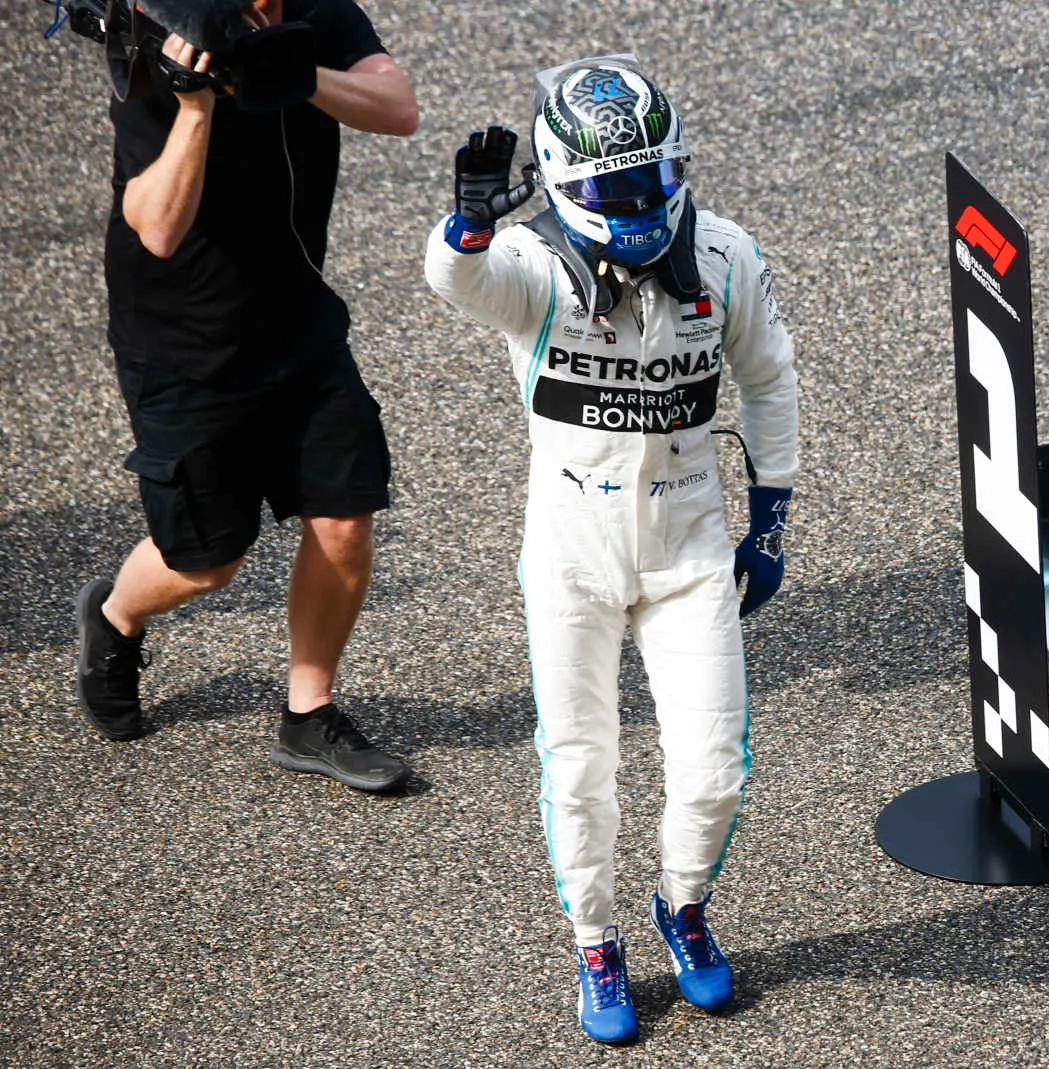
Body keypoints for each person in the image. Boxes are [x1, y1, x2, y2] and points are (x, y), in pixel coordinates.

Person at [423, 55, 799, 1044]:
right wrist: (465, 224)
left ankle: (681, 911)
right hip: (569, 553)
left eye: (649, 181)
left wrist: (770, 519)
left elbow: (769, 381)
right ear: (559, 181)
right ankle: (596, 941)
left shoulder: (724, 256)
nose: (634, 203)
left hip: (688, 547)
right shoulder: (532, 270)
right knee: (579, 770)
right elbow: (455, 279)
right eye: (608, 188)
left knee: (713, 769)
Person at [74, 0, 420, 793]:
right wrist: (195, 106)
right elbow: (154, 227)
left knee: (344, 520)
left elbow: (397, 108)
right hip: (183, 346)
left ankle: (309, 712)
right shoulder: (161, 39)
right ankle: (115, 615)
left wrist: (292, 73)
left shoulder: (317, 14)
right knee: (207, 563)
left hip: (299, 323)